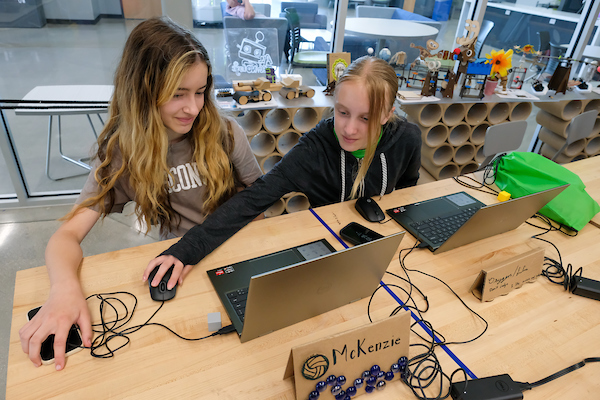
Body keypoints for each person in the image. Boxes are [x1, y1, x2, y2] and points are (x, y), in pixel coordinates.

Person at [19, 17, 262, 371]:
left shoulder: (224, 132)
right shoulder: (122, 154)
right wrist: (63, 290)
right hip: (179, 268)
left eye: (200, 91)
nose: (193, 108)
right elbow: (66, 235)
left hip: (237, 255)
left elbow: (259, 196)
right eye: (178, 94)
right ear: (144, 90)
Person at [145, 55, 422, 286]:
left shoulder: (408, 138)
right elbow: (253, 199)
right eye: (342, 112)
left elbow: (408, 190)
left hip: (386, 250)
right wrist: (185, 250)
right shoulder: (314, 149)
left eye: (366, 118)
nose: (349, 129)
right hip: (330, 257)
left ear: (387, 114)